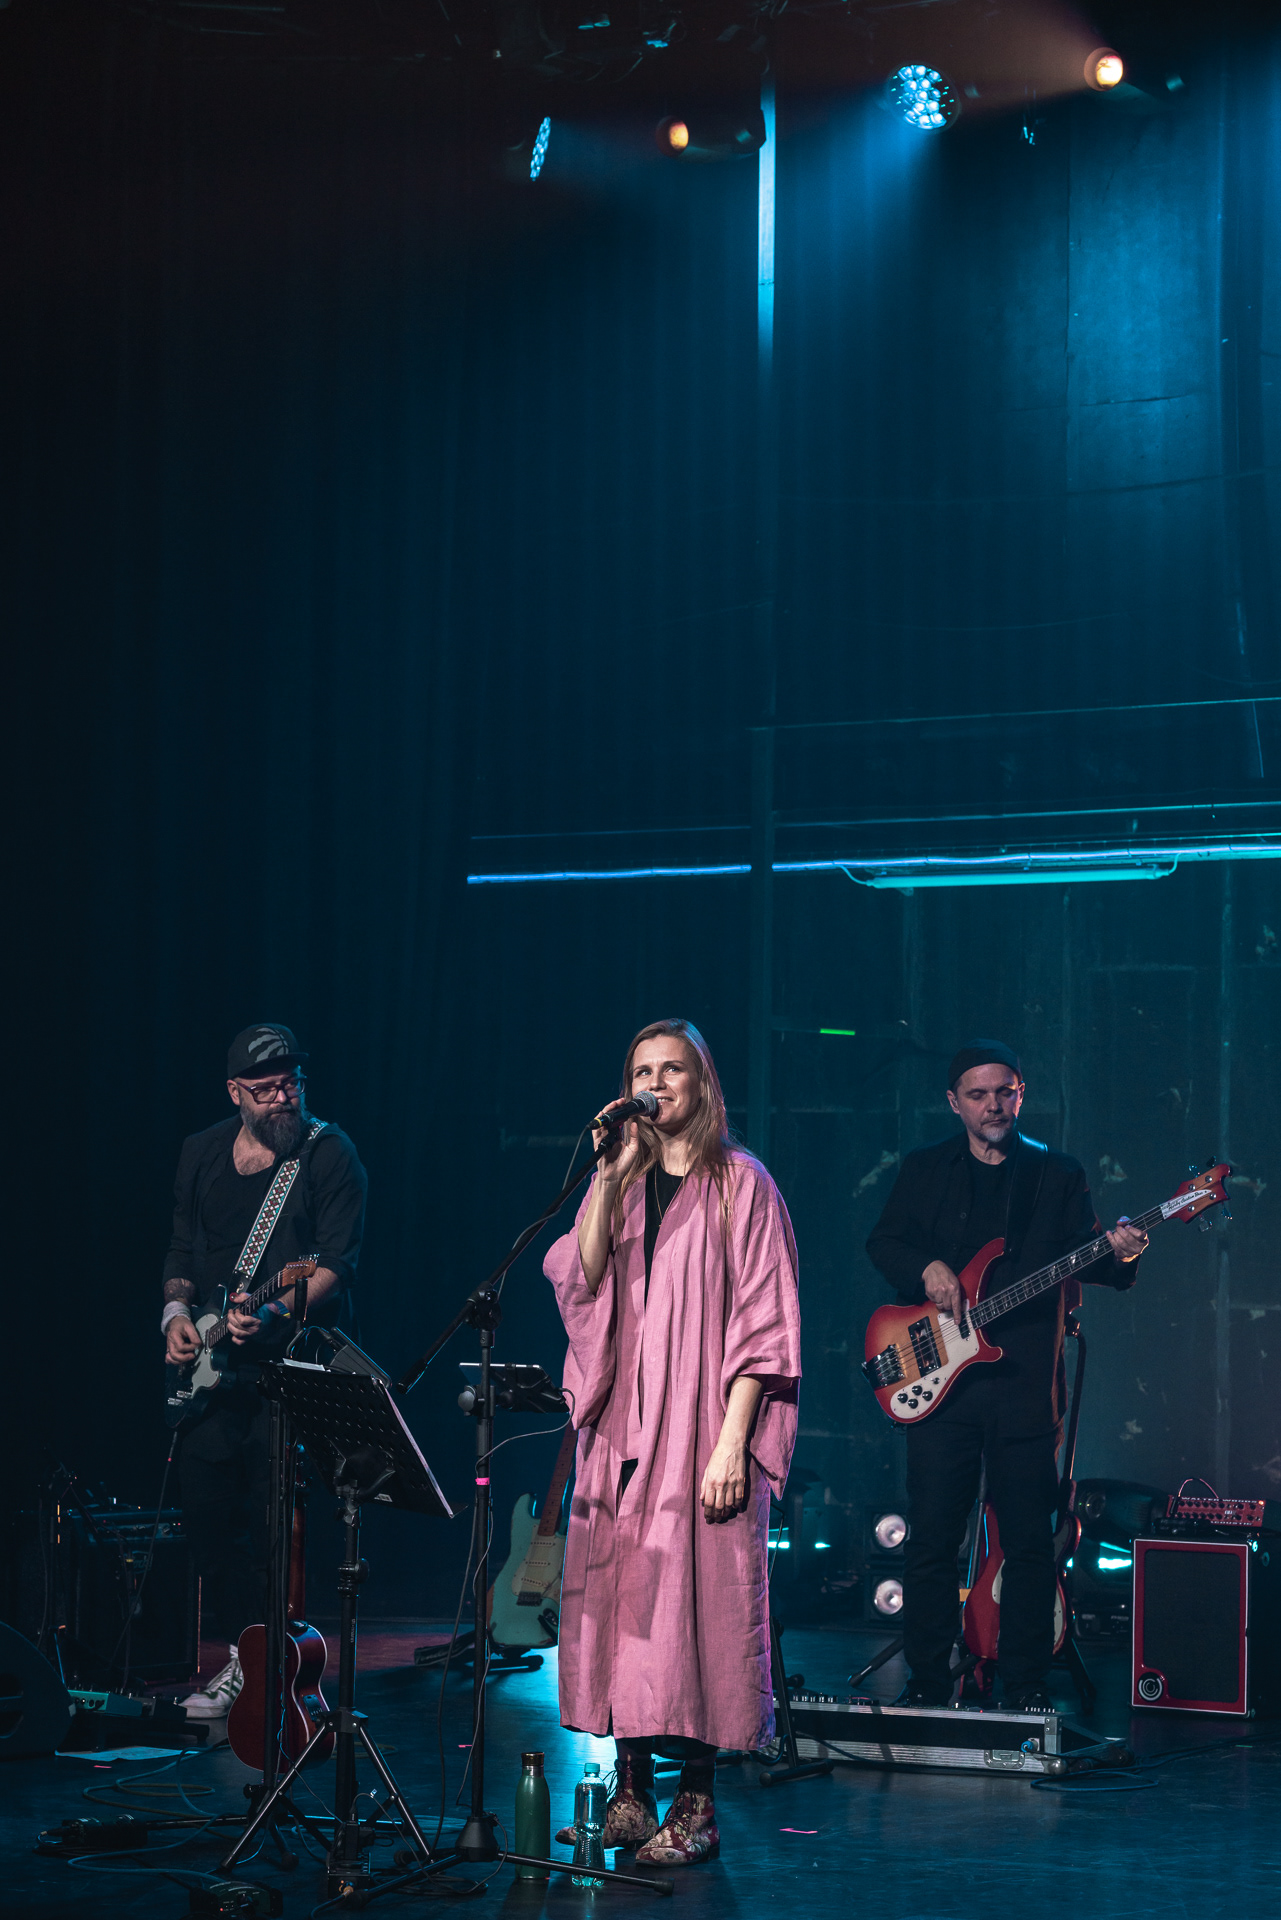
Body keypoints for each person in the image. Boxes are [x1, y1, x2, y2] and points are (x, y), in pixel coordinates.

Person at [544, 1018, 801, 1868]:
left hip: (701, 1429)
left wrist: (732, 1446)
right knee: (625, 1606)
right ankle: (629, 1792)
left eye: (672, 1071)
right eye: (641, 1071)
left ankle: (695, 1804)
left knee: (699, 1616)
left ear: (701, 1084)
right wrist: (609, 1180)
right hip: (622, 1428)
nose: (655, 1085)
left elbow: (764, 1325)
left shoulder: (742, 1185)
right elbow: (577, 1281)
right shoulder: (623, 1176)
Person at [866, 1039, 1146, 1711]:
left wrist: (1124, 1252)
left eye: (1005, 1092)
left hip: (1022, 1389)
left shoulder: (1057, 1175)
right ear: (953, 1102)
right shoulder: (924, 1168)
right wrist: (925, 1269)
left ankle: (1023, 1690)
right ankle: (927, 1684)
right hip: (941, 1390)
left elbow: (1093, 1262)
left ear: (1020, 1095)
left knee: (1027, 1544)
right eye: (978, 1094)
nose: (993, 1105)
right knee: (931, 1540)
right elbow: (884, 1242)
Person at [161, 1023, 367, 1717]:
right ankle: (239, 1659)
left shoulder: (328, 1155)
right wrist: (175, 1317)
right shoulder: (200, 1153)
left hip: (289, 1372)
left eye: (292, 1083)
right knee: (208, 1521)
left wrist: (277, 1314)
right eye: (267, 1087)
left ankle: (271, 1667)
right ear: (235, 1092)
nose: (284, 1097)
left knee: (274, 1527)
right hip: (213, 1377)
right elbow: (183, 1249)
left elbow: (335, 1265)